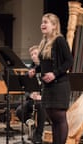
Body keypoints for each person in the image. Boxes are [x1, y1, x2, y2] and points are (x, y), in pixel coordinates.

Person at [29, 13, 73, 144]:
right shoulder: (43, 42)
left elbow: (69, 61)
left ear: (54, 26)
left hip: (59, 85)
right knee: (53, 119)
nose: (42, 24)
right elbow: (44, 64)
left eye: (46, 22)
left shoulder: (59, 40)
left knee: (60, 118)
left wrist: (55, 74)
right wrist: (35, 70)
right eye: (42, 22)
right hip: (48, 86)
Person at [16, 45, 46, 144]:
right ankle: (31, 125)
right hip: (32, 100)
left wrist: (42, 96)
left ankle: (38, 135)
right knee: (19, 110)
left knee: (40, 105)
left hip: (44, 99)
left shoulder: (47, 68)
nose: (33, 56)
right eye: (31, 54)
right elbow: (25, 88)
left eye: (35, 53)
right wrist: (30, 95)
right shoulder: (30, 70)